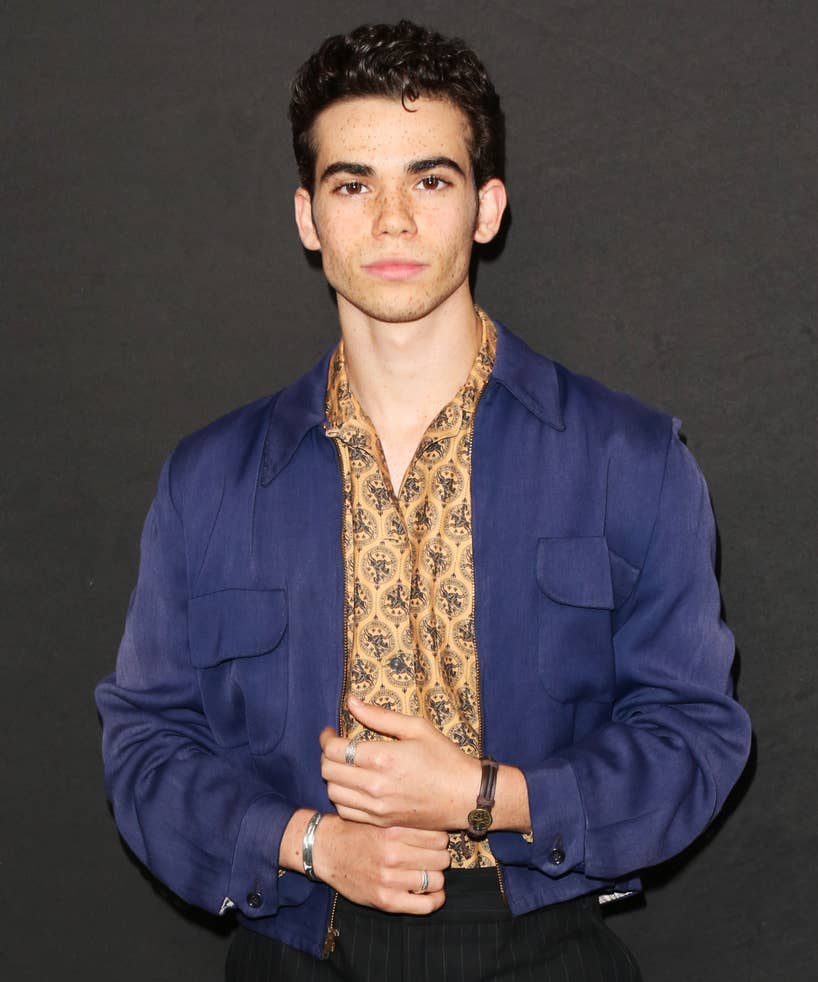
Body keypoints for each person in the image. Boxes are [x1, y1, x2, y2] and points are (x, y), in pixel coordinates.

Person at [96, 20, 751, 981]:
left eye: (431, 180)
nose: (393, 220)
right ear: (308, 217)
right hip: (296, 941)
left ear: (487, 208)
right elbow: (146, 747)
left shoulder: (630, 458)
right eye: (353, 184)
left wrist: (488, 797)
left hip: (542, 941)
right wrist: (310, 843)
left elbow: (696, 735)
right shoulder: (207, 482)